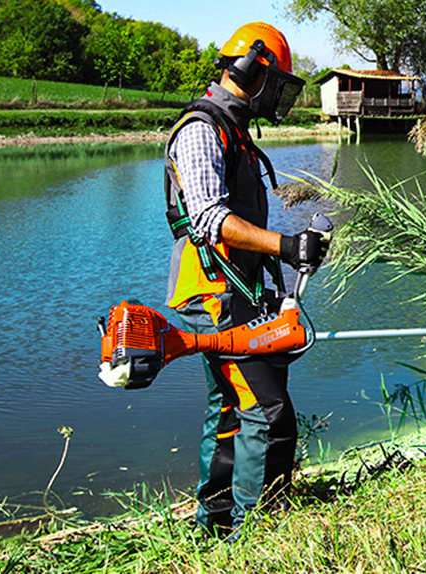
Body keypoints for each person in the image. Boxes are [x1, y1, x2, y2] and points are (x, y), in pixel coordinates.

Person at [163, 21, 327, 537]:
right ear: (251, 69)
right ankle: (259, 533)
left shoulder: (233, 129)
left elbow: (240, 227)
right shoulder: (201, 130)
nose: (279, 94)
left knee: (231, 406)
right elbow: (210, 219)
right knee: (268, 412)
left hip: (241, 290)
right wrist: (285, 244)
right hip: (214, 296)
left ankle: (213, 527)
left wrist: (274, 273)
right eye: (276, 81)